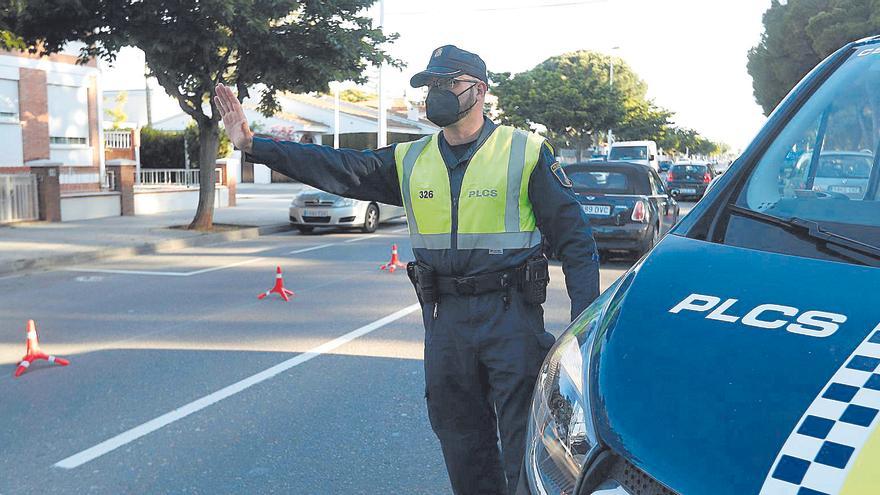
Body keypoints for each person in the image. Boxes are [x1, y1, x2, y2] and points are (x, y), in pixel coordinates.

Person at [214, 44, 600, 495]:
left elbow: (576, 241)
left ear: (479, 90)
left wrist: (583, 327)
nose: (436, 93)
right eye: (430, 85)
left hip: (510, 315)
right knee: (460, 438)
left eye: (447, 83)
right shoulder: (411, 159)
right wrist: (254, 145)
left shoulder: (525, 152)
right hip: (446, 319)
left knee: (522, 442)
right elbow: (340, 167)